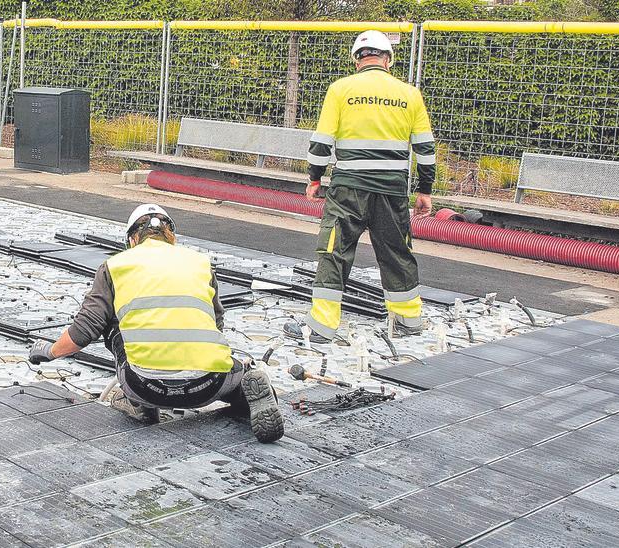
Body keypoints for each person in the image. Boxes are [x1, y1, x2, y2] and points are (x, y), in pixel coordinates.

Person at [28, 204, 283, 443]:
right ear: (172, 236)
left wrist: (49, 352)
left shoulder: (114, 267)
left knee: (116, 323)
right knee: (234, 369)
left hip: (145, 385)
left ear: (132, 239)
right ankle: (243, 392)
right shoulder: (200, 264)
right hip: (209, 384)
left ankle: (141, 405)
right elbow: (216, 324)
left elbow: (84, 331)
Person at [284, 30, 436, 344]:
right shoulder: (410, 94)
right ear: (388, 60)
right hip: (392, 191)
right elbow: (425, 149)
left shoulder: (340, 90)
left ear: (357, 59)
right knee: (397, 252)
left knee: (335, 252)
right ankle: (408, 320)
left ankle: (323, 328)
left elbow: (321, 142)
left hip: (348, 189)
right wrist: (425, 190)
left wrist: (314, 178)